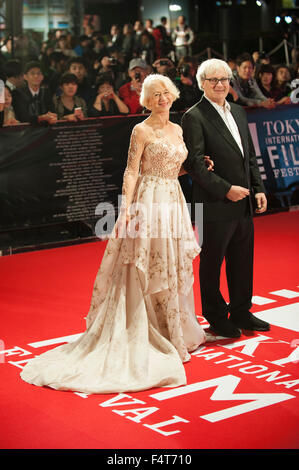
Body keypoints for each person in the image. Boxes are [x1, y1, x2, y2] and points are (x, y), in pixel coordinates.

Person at [20, 73, 213, 394]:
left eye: (166, 93)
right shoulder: (141, 129)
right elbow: (132, 170)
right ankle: (148, 329)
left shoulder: (178, 128)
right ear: (148, 100)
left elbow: (173, 167)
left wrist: (195, 166)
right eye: (155, 95)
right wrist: (126, 210)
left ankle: (171, 329)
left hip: (174, 200)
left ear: (173, 95)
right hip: (149, 201)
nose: (162, 98)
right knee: (149, 264)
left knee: (172, 264)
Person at [181, 58, 270, 339]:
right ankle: (217, 318)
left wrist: (258, 188)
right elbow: (194, 164)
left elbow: (250, 158)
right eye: (213, 80)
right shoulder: (193, 116)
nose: (220, 85)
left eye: (224, 79)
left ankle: (242, 311)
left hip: (244, 201)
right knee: (212, 262)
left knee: (242, 259)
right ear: (202, 84)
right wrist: (225, 189)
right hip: (213, 203)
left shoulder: (240, 113)